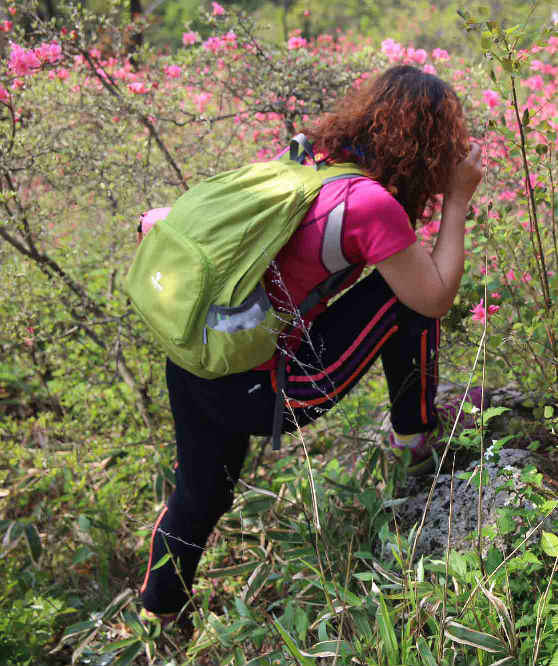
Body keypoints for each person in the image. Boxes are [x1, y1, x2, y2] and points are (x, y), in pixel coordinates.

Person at [138, 65, 483, 620]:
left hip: (199, 356)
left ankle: (158, 615)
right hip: (271, 390)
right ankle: (414, 440)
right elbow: (435, 296)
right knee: (406, 298)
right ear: (427, 147)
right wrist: (458, 199)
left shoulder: (306, 157)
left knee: (199, 499)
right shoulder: (370, 205)